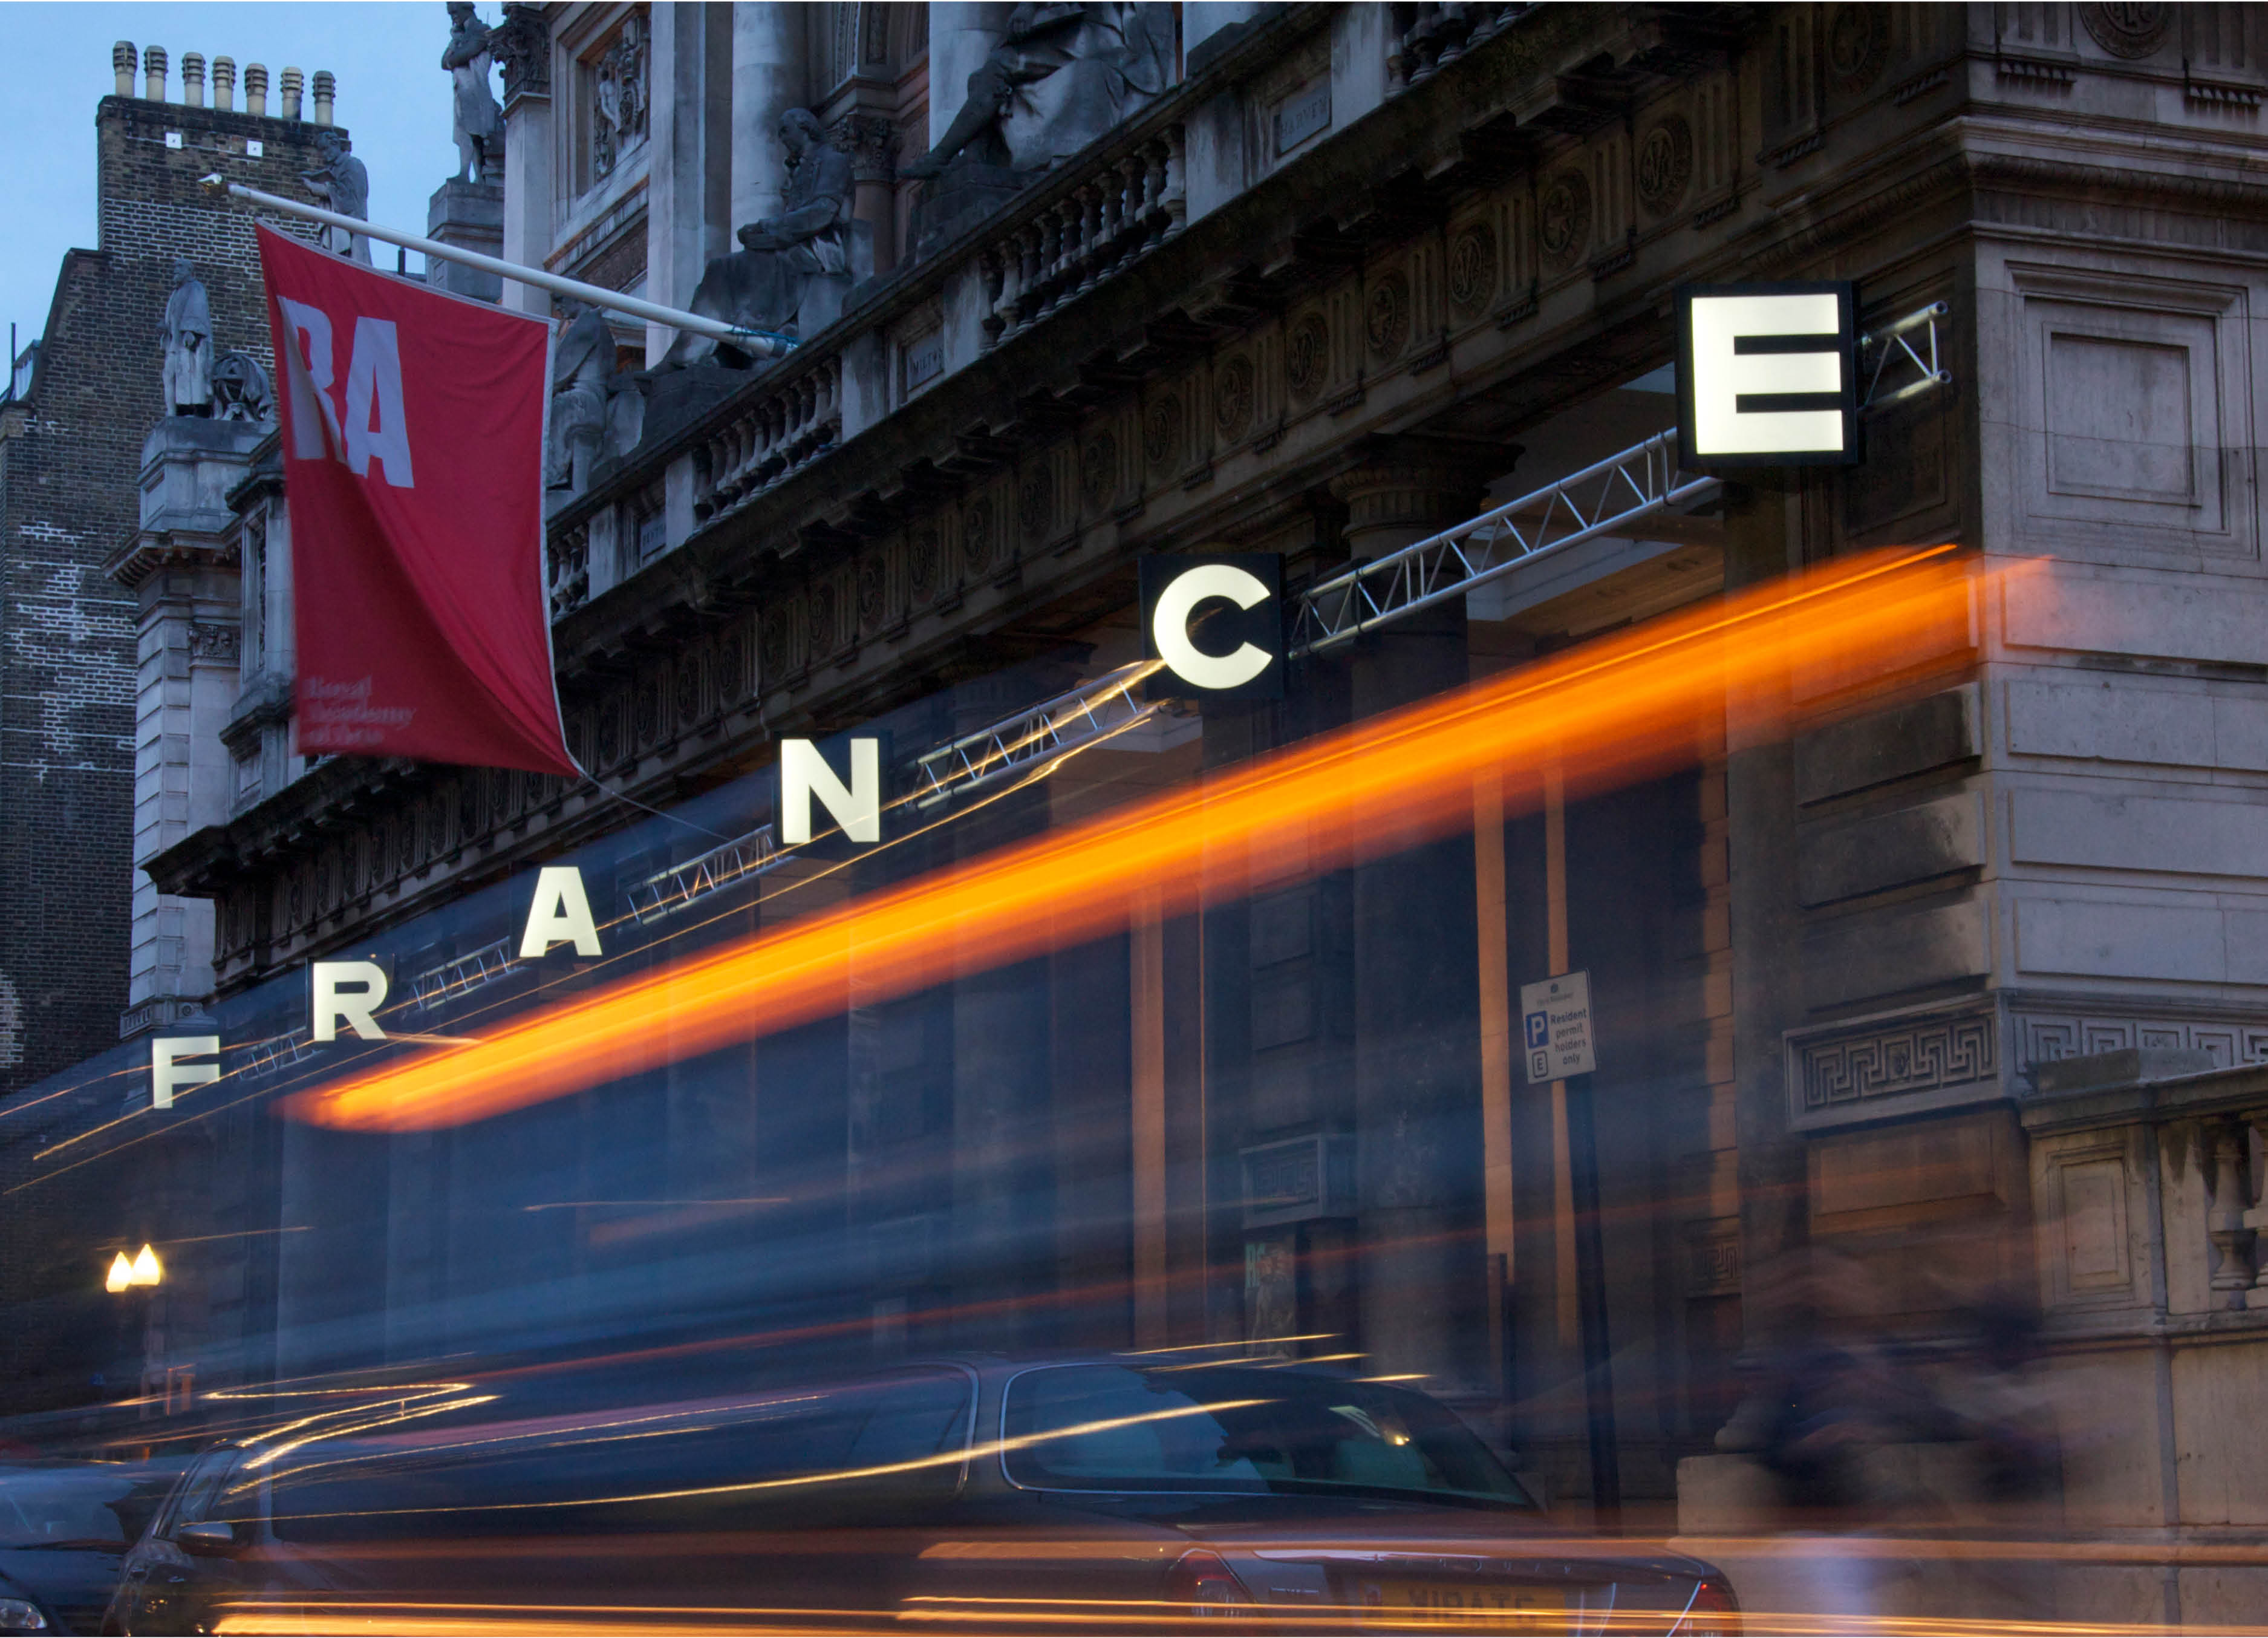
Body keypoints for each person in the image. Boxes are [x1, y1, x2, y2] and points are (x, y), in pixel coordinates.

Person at [663, 110, 851, 369]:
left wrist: (767, 229)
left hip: (818, 250)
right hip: (794, 245)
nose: (781, 138)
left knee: (735, 266)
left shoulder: (833, 160)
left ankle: (719, 340)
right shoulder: (800, 168)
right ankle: (698, 348)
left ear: (805, 126)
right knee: (723, 266)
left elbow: (823, 212)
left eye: (785, 130)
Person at [902, 3, 1171, 180]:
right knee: (985, 76)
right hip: (1082, 30)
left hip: (1099, 35)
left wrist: (1030, 7)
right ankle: (970, 159)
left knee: (998, 66)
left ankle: (944, 157)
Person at [443, 1, 504, 183]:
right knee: (464, 132)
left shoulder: (481, 29)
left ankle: (478, 177)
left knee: (476, 133)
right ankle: (465, 172)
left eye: (455, 11)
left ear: (467, 9)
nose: (453, 17)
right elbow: (444, 62)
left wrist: (454, 58)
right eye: (450, 14)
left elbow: (461, 56)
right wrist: (455, 43)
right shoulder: (460, 36)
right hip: (462, 89)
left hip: (475, 89)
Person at [302, 129, 373, 263]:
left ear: (335, 145)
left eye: (326, 149)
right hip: (336, 229)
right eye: (321, 151)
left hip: (352, 232)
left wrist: (319, 188)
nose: (324, 154)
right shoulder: (333, 169)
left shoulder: (353, 164)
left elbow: (351, 200)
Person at [159, 257, 212, 416]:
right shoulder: (176, 292)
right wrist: (165, 327)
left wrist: (191, 330)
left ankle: (193, 408)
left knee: (189, 376)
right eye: (175, 266)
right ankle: (172, 412)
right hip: (174, 344)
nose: (176, 269)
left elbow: (197, 310)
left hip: (187, 343)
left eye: (180, 267)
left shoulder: (196, 288)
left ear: (190, 270)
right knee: (169, 376)